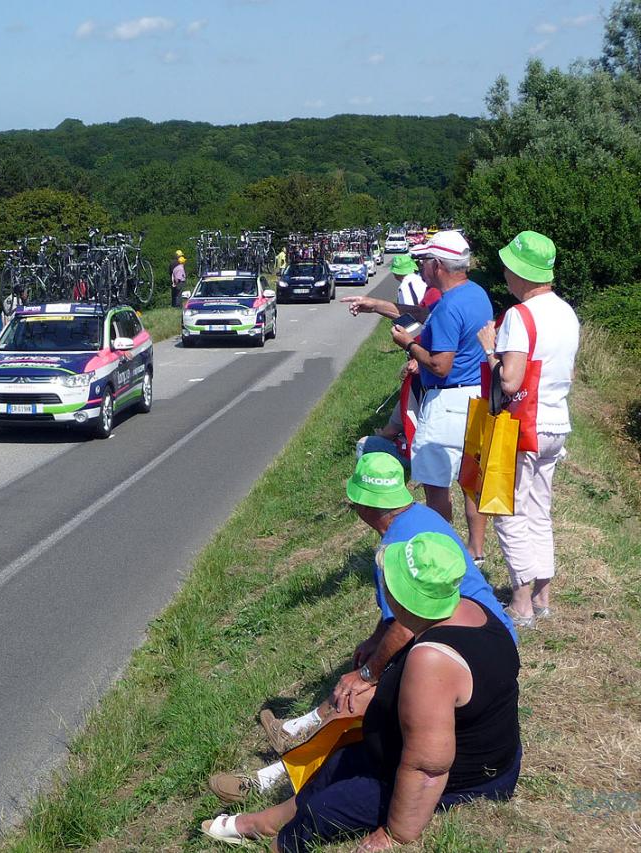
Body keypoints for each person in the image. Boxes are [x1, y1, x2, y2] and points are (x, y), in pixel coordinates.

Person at [208, 454, 515, 805]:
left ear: (365, 506)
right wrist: (374, 642)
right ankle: (300, 733)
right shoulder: (419, 519)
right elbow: (402, 615)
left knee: (362, 699)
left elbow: (404, 625)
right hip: (484, 634)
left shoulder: (396, 545)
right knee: (366, 688)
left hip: (462, 648)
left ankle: (275, 777)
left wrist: (368, 674)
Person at [203, 531, 521, 851]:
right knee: (337, 764)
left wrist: (395, 834)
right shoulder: (469, 608)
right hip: (420, 754)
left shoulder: (433, 659)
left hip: (469, 780)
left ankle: (282, 844)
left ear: (403, 596)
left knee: (324, 810)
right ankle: (267, 821)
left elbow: (428, 767)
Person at [341, 231, 492, 565]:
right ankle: (475, 551)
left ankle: (442, 552)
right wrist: (376, 305)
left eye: (424, 260)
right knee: (471, 480)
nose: (421, 266)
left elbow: (440, 365)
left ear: (437, 265)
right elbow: (424, 316)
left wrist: (408, 346)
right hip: (477, 399)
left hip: (447, 403)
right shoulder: (475, 294)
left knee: (435, 485)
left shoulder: (449, 306)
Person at [476, 231, 579, 628]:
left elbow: (510, 381)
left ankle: (520, 603)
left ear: (520, 272)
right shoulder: (566, 312)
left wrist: (490, 348)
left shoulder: (520, 316)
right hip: (556, 423)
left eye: (507, 266)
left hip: (524, 428)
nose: (503, 272)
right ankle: (543, 596)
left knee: (509, 511)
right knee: (540, 509)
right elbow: (567, 372)